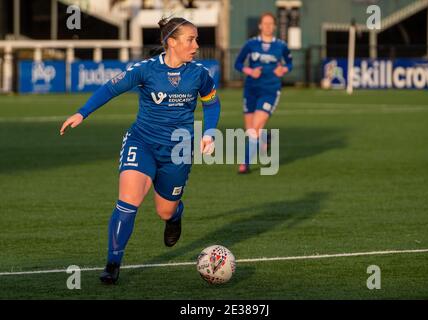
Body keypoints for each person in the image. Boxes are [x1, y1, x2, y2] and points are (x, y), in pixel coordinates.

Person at [59, 17, 220, 284]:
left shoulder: (199, 74)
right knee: (127, 202)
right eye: (191, 39)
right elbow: (110, 88)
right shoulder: (146, 70)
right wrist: (82, 113)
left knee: (164, 211)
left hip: (178, 151)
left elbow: (212, 104)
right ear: (171, 42)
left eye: (196, 39)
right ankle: (113, 263)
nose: (196, 45)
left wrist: (210, 133)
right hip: (141, 142)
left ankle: (175, 216)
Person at [234, 12, 292, 174]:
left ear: (274, 26)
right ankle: (265, 138)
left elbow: (290, 63)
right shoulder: (251, 44)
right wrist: (249, 71)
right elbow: (238, 63)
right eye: (265, 23)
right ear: (260, 26)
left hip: (270, 90)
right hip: (251, 89)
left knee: (255, 128)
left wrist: (284, 69)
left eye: (270, 23)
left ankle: (244, 164)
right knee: (250, 129)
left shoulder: (281, 46)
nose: (267, 26)